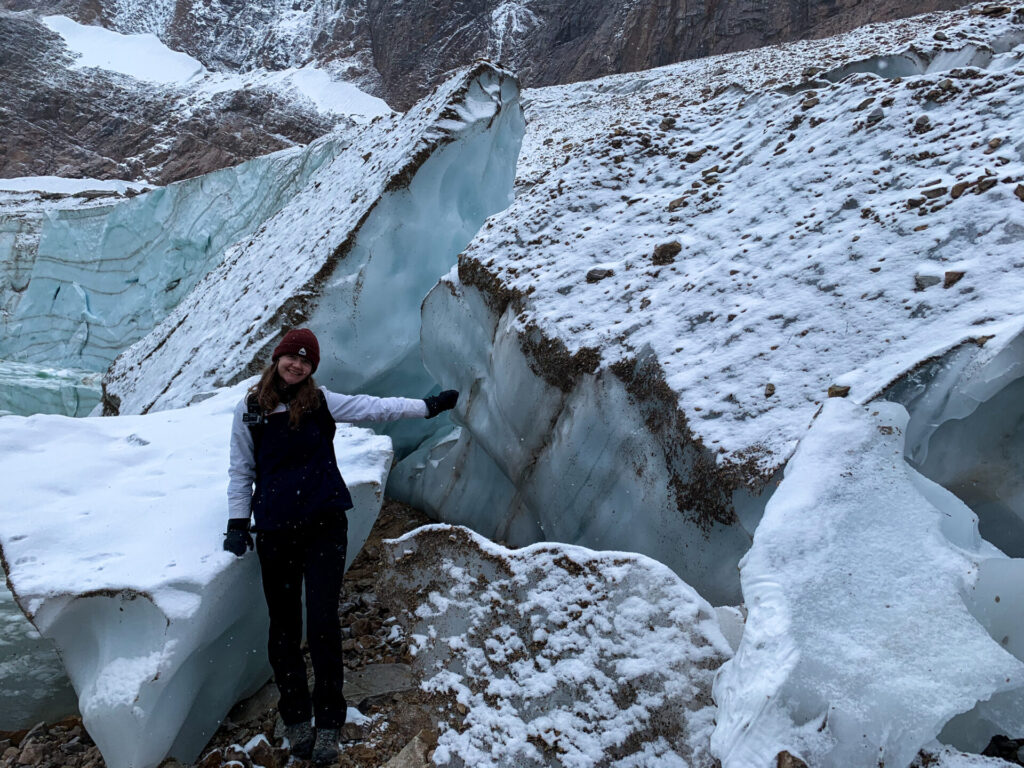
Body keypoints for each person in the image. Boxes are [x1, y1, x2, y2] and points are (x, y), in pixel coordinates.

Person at [223, 328, 457, 763]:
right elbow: (241, 471)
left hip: (323, 524)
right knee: (284, 629)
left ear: (312, 367)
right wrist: (238, 523)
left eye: (305, 360)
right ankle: (295, 718)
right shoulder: (250, 409)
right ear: (277, 360)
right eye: (291, 358)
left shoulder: (322, 401)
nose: (297, 365)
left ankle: (329, 721)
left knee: (325, 624)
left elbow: (374, 407)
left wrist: (426, 407)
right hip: (275, 529)